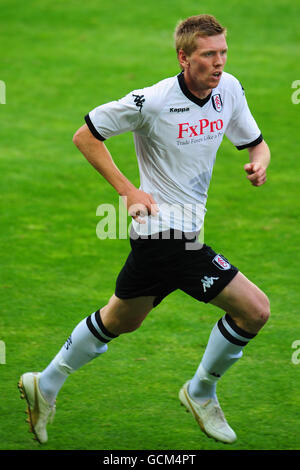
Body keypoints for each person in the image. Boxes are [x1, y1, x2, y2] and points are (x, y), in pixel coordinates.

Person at [19, 14, 271, 445]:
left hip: (178, 231)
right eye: (208, 54)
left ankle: (46, 382)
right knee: (255, 310)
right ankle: (200, 392)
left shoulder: (227, 89)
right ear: (183, 57)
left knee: (119, 319)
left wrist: (259, 161)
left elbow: (254, 141)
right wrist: (128, 191)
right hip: (166, 235)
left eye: (223, 52)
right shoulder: (152, 101)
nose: (219, 62)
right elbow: (86, 135)